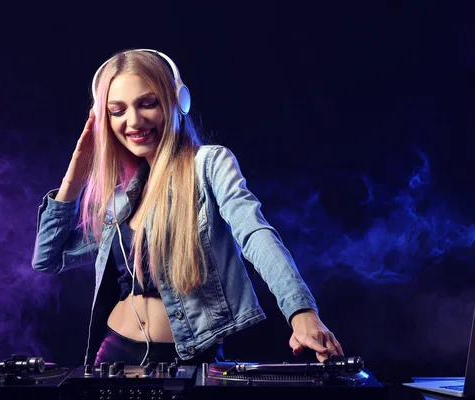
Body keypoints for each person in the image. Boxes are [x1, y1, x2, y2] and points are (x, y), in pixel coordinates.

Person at [31, 48, 344, 367]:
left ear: (178, 101)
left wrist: (301, 312)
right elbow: (47, 259)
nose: (134, 121)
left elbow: (255, 234)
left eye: (147, 103)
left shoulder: (210, 164)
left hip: (189, 357)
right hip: (112, 354)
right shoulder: (121, 199)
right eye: (117, 111)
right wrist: (75, 173)